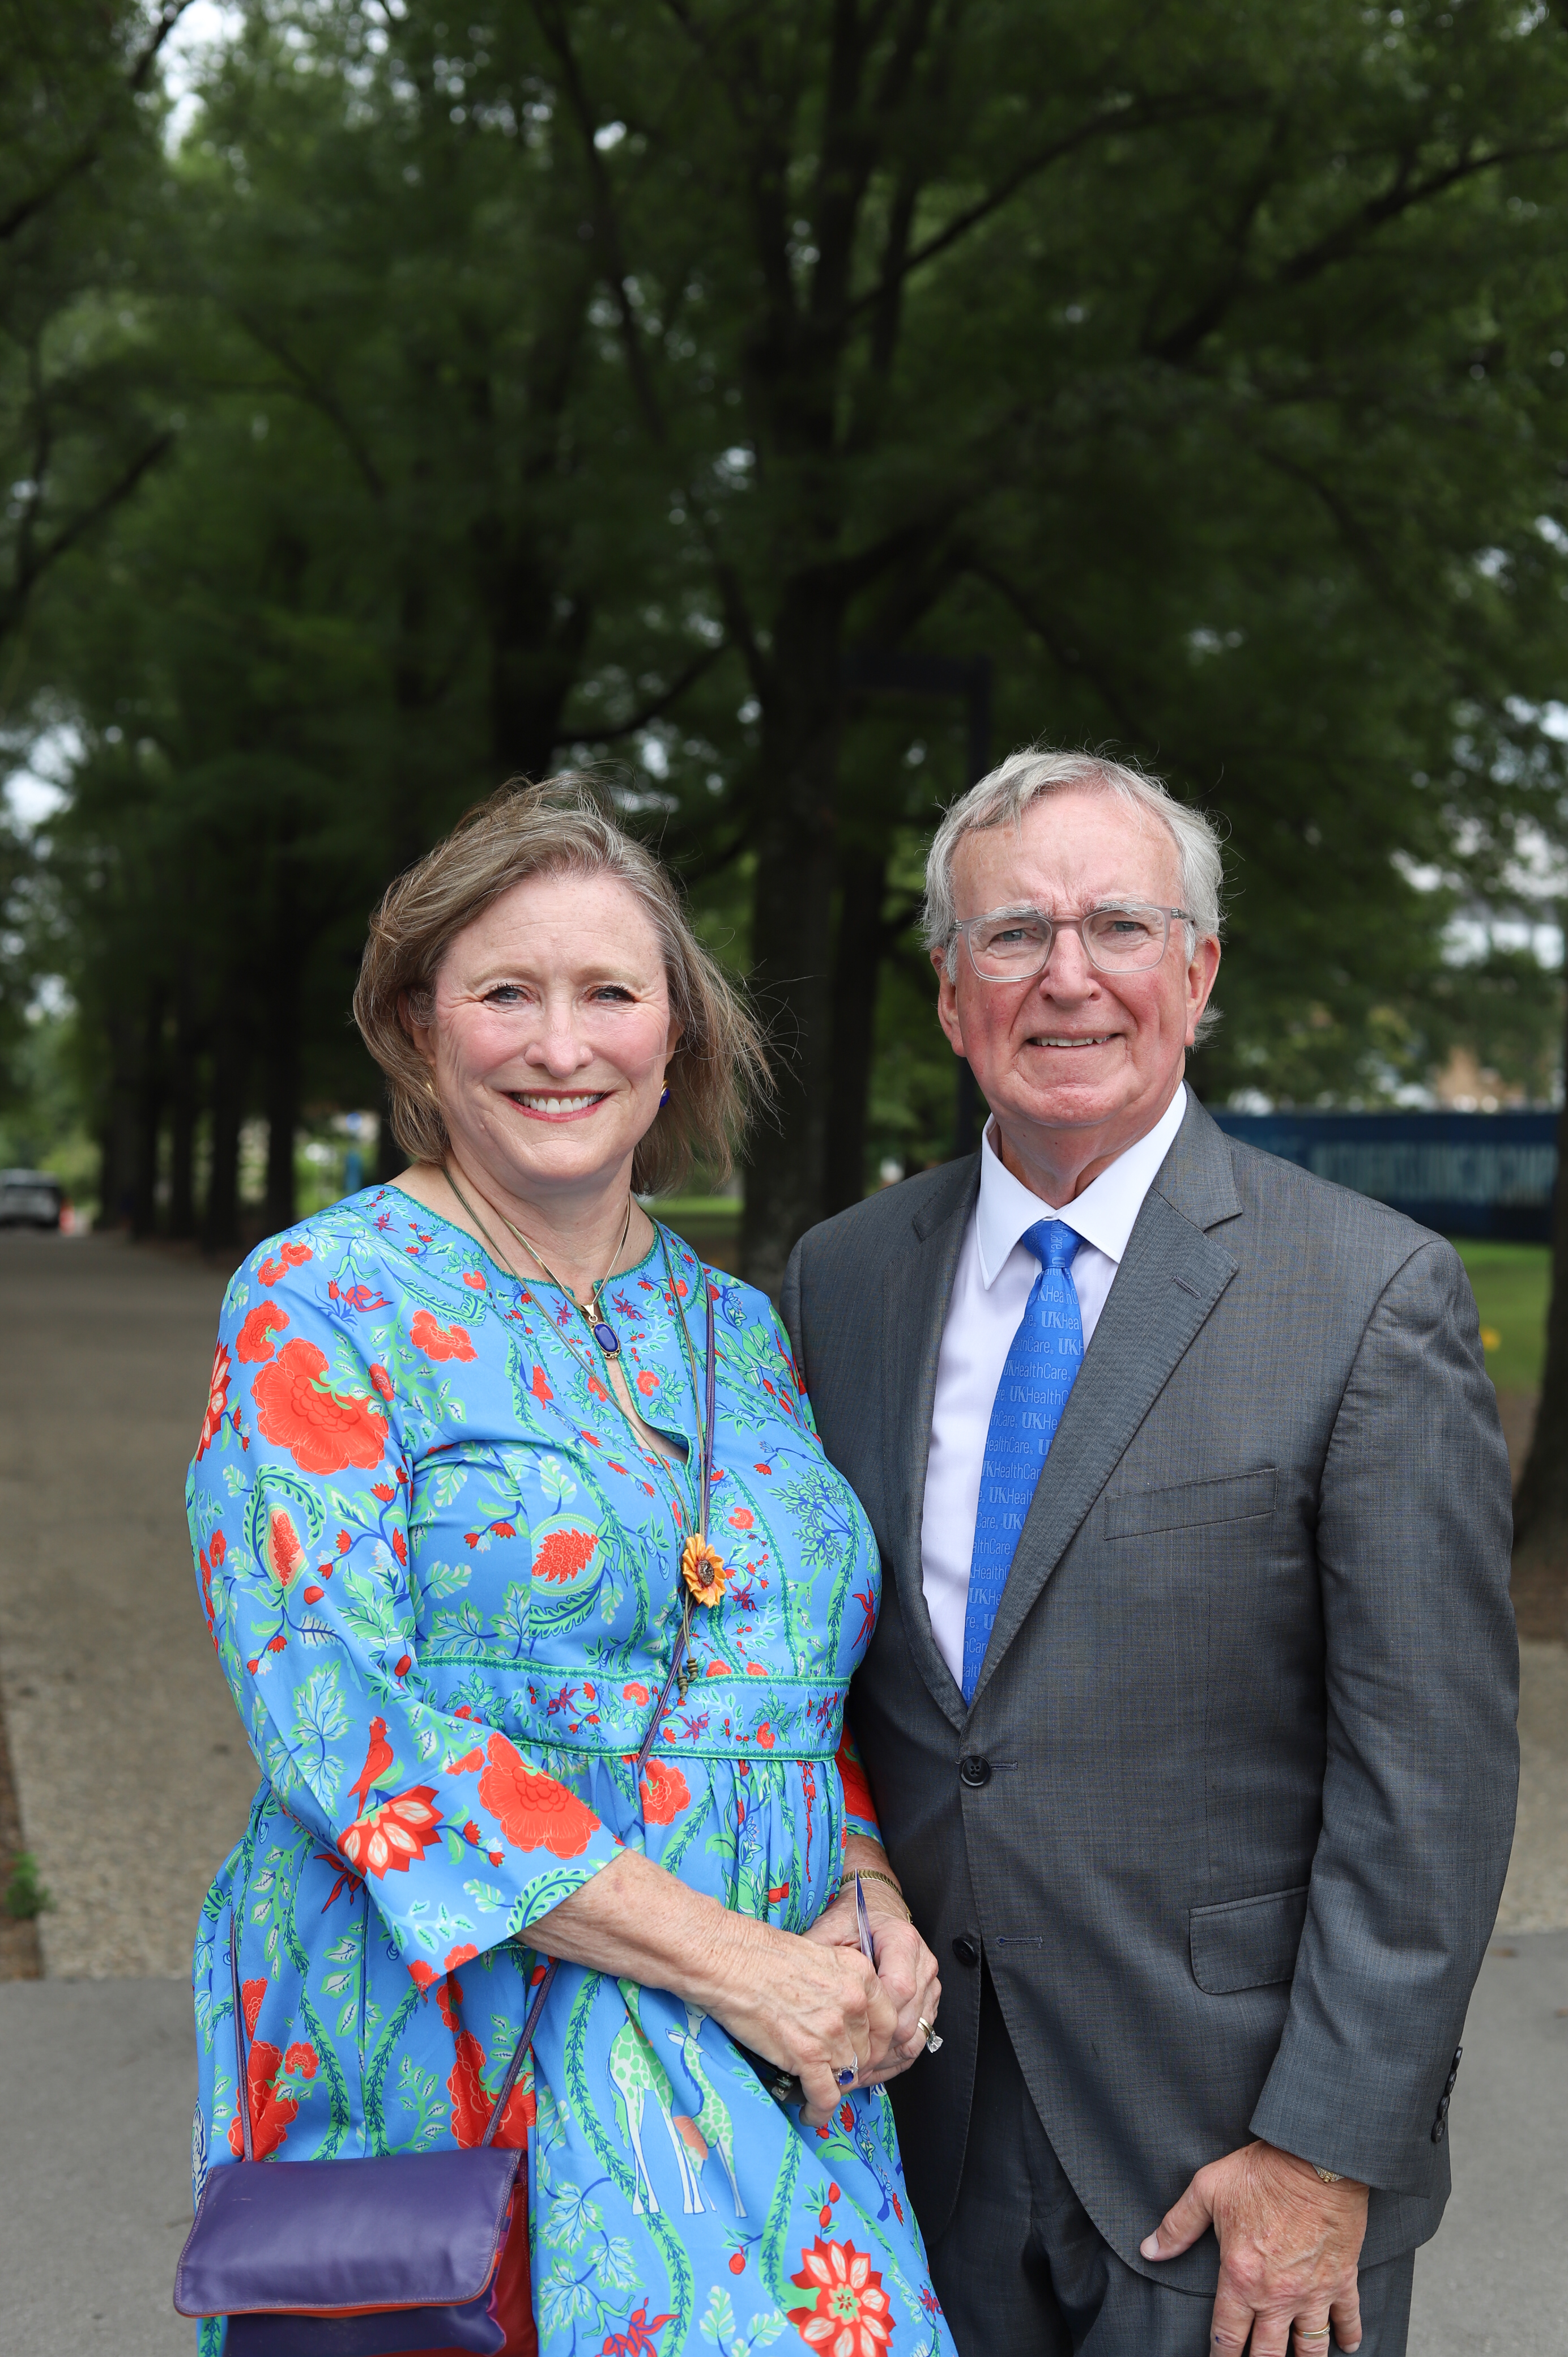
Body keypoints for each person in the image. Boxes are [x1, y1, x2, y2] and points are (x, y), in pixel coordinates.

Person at [186, 778, 956, 2357]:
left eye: (610, 992)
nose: (561, 1045)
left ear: (676, 1033)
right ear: (417, 1026)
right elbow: (344, 1723)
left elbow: (792, 1680)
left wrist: (867, 1905)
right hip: (450, 2049)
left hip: (770, 2070)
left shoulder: (740, 1331)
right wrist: (735, 1960)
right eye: (505, 995)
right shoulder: (319, 1306)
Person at [781, 748, 1518, 2357]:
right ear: (945, 991)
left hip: (1234, 2175)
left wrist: (1329, 2152)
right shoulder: (838, 1285)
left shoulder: (1368, 1296)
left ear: (1199, 969)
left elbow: (1431, 1784)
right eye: (1012, 936)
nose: (1069, 978)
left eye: (1120, 924)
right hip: (909, 2142)